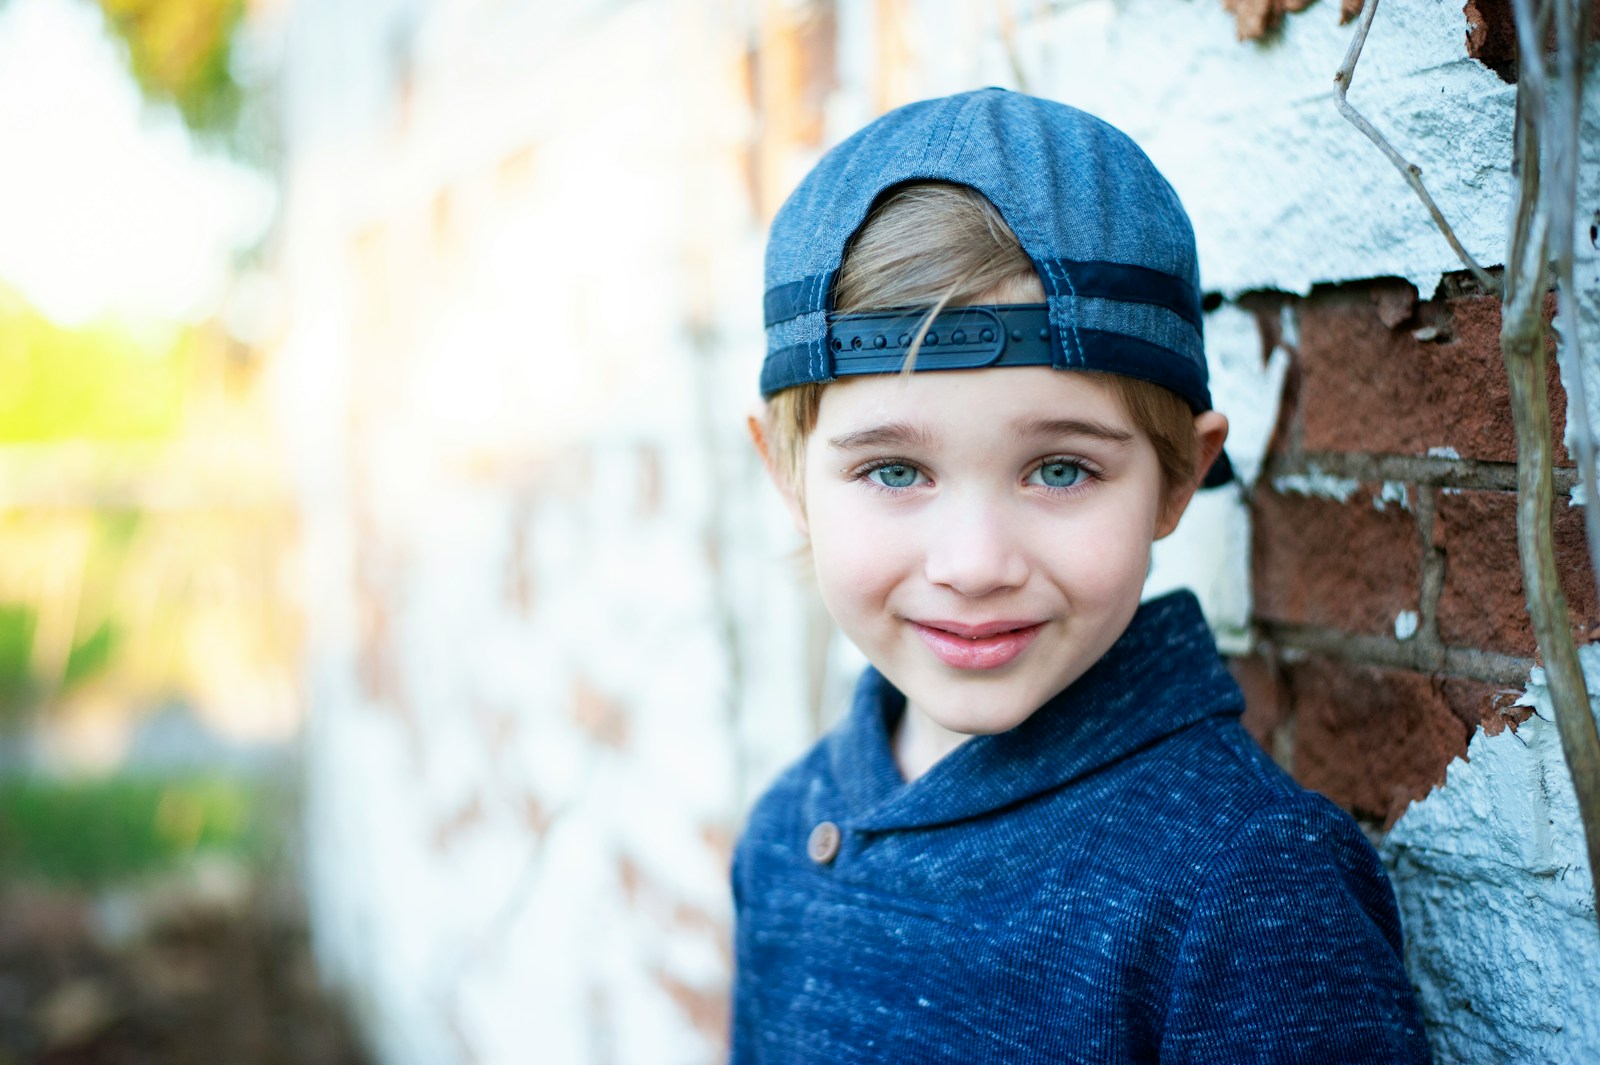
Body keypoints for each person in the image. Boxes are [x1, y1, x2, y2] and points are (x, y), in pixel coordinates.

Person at [728, 88, 1431, 1063]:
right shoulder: (784, 832)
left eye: (1060, 469)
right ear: (788, 477)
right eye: (894, 471)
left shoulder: (1243, 883)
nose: (974, 565)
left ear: (1177, 474)